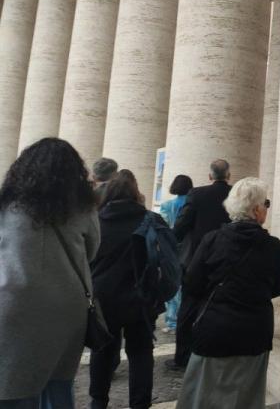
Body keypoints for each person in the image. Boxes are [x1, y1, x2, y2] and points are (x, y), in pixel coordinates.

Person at [0, 138, 100, 408]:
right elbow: (91, 252)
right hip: (67, 306)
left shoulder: (6, 204)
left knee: (11, 383)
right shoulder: (83, 208)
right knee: (58, 382)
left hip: (11, 302)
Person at [176, 177, 280, 409]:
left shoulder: (212, 240)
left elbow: (192, 283)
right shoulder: (273, 245)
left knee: (204, 397)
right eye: (266, 203)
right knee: (246, 397)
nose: (267, 208)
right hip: (255, 330)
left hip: (214, 327)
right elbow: (279, 287)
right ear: (257, 210)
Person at [88, 170, 168, 409]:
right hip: (140, 297)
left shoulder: (96, 220)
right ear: (136, 192)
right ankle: (140, 404)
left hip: (104, 297)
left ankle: (98, 401)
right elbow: (167, 259)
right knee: (141, 353)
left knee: (102, 351)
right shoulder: (151, 219)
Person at [168, 159, 232, 370]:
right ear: (228, 175)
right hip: (226, 260)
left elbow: (182, 225)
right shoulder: (235, 194)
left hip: (198, 260)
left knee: (188, 309)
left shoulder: (197, 194)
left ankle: (183, 357)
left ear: (209, 176)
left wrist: (171, 244)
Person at [159, 175, 194, 334]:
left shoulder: (167, 205)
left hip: (171, 248)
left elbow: (164, 227)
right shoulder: (192, 203)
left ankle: (172, 321)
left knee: (173, 283)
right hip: (189, 248)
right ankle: (183, 319)